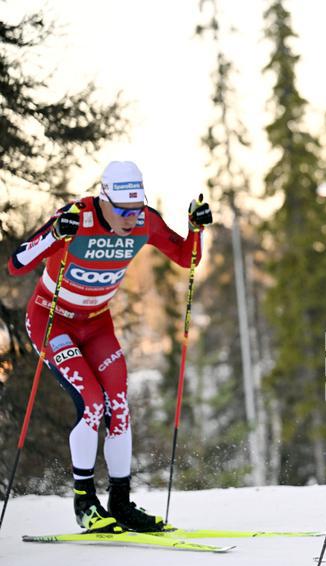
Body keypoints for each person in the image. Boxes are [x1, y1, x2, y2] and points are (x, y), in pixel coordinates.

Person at [7, 161, 213, 533]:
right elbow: (17, 263)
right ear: (103, 200)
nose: (131, 218)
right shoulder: (78, 217)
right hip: (51, 319)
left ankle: (120, 502)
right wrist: (55, 234)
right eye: (122, 210)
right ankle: (85, 502)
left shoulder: (146, 221)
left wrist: (195, 229)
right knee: (92, 403)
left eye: (137, 209)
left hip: (96, 322)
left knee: (118, 404)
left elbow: (188, 258)